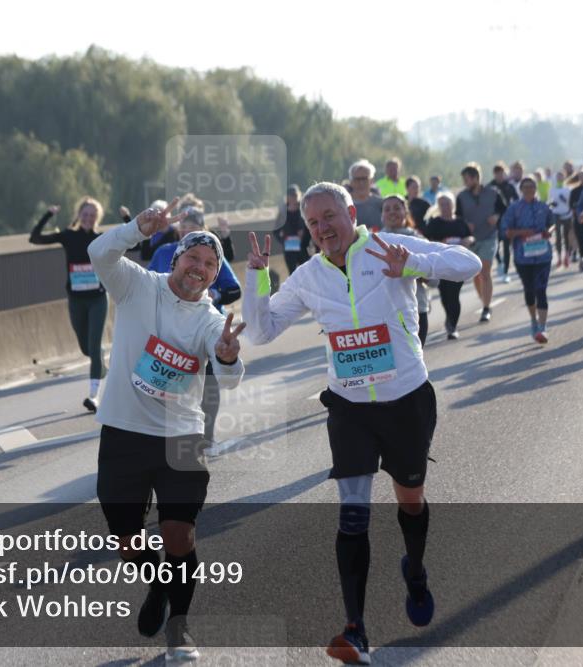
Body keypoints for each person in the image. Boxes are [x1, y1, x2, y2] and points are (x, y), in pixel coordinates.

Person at [241, 182, 481, 665]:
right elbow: (262, 331)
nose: (323, 228)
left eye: (330, 216)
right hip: (349, 407)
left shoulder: (389, 247)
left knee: (409, 497)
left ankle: (414, 570)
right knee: (352, 514)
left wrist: (413, 266)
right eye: (313, 223)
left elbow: (468, 264)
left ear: (351, 212)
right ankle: (356, 629)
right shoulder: (309, 276)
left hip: (407, 399)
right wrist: (257, 278)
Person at [88, 197, 245, 661]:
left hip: (181, 437)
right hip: (123, 431)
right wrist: (136, 228)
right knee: (126, 541)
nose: (198, 269)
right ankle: (158, 582)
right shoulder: (137, 285)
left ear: (215, 276)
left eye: (209, 265)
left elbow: (231, 376)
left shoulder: (210, 320)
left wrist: (229, 355)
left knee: (179, 534)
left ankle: (180, 628)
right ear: (175, 259)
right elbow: (100, 254)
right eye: (192, 258)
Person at [149, 207, 242, 448]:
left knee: (208, 383)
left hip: (206, 328)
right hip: (168, 329)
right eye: (185, 227)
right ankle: (159, 435)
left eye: (194, 228)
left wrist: (215, 293)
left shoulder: (212, 254)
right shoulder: (163, 252)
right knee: (167, 382)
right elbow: (146, 286)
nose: (188, 231)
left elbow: (234, 289)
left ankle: (206, 437)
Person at [31, 197, 111, 412]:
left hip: (97, 299)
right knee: (86, 349)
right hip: (76, 300)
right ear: (79, 215)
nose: (88, 219)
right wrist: (48, 215)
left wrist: (126, 219)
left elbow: (136, 245)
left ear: (97, 218)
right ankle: (100, 363)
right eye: (85, 215)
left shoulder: (101, 239)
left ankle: (94, 397)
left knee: (93, 347)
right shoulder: (69, 236)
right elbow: (35, 239)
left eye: (92, 216)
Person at [500, 176, 556, 344]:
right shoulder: (514, 209)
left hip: (543, 255)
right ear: (521, 190)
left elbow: (552, 223)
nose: (529, 190)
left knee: (541, 290)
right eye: (526, 187)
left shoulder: (543, 207)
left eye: (532, 187)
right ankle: (533, 320)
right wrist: (523, 233)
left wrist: (549, 231)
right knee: (530, 291)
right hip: (523, 257)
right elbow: (505, 231)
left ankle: (542, 327)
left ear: (536, 188)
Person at [381, 195, 437, 345]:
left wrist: (413, 270)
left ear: (405, 212)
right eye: (387, 209)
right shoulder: (373, 242)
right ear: (382, 215)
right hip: (384, 314)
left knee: (415, 363)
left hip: (416, 310)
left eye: (397, 208)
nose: (392, 212)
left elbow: (435, 281)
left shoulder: (418, 241)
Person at [456, 162, 506, 322]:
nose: (465, 183)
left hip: (490, 236)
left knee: (485, 271)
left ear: (476, 178)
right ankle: (484, 299)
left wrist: (497, 217)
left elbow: (504, 209)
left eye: (467, 179)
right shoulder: (461, 197)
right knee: (476, 274)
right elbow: (457, 216)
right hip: (471, 239)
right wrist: (465, 224)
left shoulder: (493, 193)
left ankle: (486, 307)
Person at [423, 192, 475, 339]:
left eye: (448, 204)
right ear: (438, 207)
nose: (445, 207)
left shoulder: (460, 222)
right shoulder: (435, 222)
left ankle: (452, 325)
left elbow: (470, 236)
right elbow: (427, 241)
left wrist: (468, 240)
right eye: (442, 204)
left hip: (458, 265)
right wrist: (441, 244)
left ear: (453, 205)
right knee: (445, 296)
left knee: (454, 295)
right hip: (440, 264)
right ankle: (449, 319)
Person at [488, 162, 519, 284]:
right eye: (497, 174)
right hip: (494, 220)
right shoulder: (490, 187)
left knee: (506, 246)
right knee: (494, 245)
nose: (499, 176)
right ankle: (500, 262)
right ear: (494, 174)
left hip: (507, 220)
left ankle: (505, 272)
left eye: (501, 173)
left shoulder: (509, 186)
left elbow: (516, 200)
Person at [275, 184, 311, 275]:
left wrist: (305, 238)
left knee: (307, 273)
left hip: (303, 247)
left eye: (295, 195)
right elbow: (276, 230)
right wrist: (283, 240)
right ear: (287, 197)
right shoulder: (283, 213)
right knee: (293, 274)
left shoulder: (304, 209)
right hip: (289, 248)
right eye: (291, 195)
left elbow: (310, 226)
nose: (293, 197)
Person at [548, 171, 575, 269]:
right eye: (558, 176)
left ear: (564, 178)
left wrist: (564, 200)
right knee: (558, 236)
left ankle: (567, 256)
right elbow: (549, 200)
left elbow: (570, 202)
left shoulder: (568, 189)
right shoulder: (552, 189)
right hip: (556, 214)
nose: (559, 178)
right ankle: (559, 257)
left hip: (567, 213)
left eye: (561, 176)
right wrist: (552, 204)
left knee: (566, 235)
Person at [567, 171, 583, 276]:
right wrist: (578, 214)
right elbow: (571, 206)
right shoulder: (574, 191)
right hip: (578, 220)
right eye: (581, 177)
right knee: (581, 242)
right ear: (578, 178)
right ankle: (582, 260)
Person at [349, 160, 384, 230]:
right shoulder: (344, 205)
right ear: (351, 181)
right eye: (357, 179)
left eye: (364, 179)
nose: (361, 183)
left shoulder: (381, 204)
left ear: (371, 181)